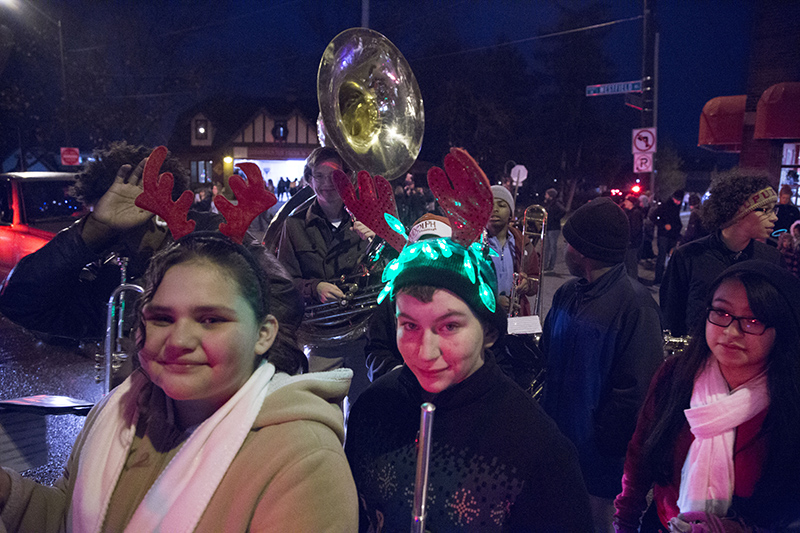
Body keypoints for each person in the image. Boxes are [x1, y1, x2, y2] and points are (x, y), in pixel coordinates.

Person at [0, 232, 358, 531]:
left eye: (211, 319)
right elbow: (69, 515)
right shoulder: (117, 410)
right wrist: (8, 493)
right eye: (161, 318)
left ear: (263, 334)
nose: (179, 340)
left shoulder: (305, 460)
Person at [346, 233, 593, 531]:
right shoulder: (372, 410)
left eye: (450, 326)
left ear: (489, 332)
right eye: (409, 325)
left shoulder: (537, 448)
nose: (426, 352)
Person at [614, 261, 800, 530]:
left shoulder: (788, 399)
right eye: (722, 313)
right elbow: (640, 452)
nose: (730, 332)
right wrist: (625, 517)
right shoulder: (676, 375)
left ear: (780, 330)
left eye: (753, 321)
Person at [0, 142, 219, 341]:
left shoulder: (215, 237)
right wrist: (90, 231)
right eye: (103, 216)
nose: (115, 230)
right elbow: (18, 305)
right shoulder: (108, 276)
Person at [539, 197, 664, 533]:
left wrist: (602, 442)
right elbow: (547, 356)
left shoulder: (635, 305)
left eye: (569, 242)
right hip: (559, 452)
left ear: (584, 251)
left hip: (598, 467)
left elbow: (636, 392)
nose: (564, 248)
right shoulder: (568, 293)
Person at [276, 146, 375, 410]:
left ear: (347, 180)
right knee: (319, 411)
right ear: (308, 180)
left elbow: (391, 273)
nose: (326, 184)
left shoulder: (369, 220)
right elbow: (284, 283)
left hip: (362, 335)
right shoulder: (294, 225)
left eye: (335, 176)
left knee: (364, 411)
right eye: (318, 176)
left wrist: (378, 241)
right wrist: (314, 287)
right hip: (320, 337)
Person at [660, 174, 781, 338]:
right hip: (697, 357)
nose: (775, 217)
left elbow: (779, 317)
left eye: (775, 209)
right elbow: (671, 315)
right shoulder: (688, 256)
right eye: (766, 210)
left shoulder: (772, 259)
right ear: (739, 211)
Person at [486, 185, 539, 315]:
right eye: (490, 205)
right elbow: (462, 283)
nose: (495, 210)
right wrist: (491, 300)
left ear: (511, 213)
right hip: (483, 318)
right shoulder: (473, 242)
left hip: (516, 315)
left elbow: (535, 280)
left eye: (502, 205)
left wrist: (528, 284)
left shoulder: (524, 243)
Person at [651, 189, 684, 285]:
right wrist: (663, 225)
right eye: (677, 200)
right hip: (664, 235)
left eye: (679, 201)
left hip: (673, 236)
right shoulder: (664, 206)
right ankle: (658, 279)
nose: (678, 202)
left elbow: (677, 221)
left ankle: (668, 280)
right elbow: (653, 216)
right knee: (661, 258)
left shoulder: (677, 207)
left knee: (671, 258)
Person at [542, 187, 566, 273]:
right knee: (546, 247)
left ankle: (551, 266)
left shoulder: (556, 203)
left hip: (554, 228)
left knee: (552, 247)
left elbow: (563, 211)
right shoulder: (549, 203)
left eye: (547, 194)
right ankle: (544, 265)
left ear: (550, 195)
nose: (545, 196)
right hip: (548, 227)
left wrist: (555, 218)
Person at [622, 194, 644, 279]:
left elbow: (635, 229)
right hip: (631, 242)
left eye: (627, 201)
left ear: (631, 203)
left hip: (633, 243)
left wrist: (630, 239)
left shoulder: (635, 213)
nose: (625, 203)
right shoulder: (629, 212)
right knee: (628, 262)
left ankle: (633, 280)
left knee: (631, 263)